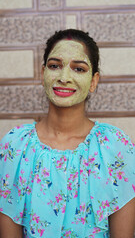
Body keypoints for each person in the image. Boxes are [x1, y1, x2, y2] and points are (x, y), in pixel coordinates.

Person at [0, 29, 135, 238]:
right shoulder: (14, 146)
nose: (64, 77)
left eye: (78, 69)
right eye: (55, 66)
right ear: (43, 72)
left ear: (93, 80)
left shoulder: (115, 147)